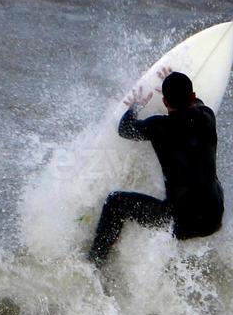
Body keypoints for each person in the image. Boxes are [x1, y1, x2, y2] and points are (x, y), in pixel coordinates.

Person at [87, 70, 224, 266]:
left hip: (182, 224)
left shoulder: (157, 127)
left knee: (115, 202)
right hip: (213, 218)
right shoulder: (207, 116)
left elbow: (124, 128)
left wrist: (136, 105)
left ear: (166, 103)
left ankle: (95, 262)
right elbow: (197, 104)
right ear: (193, 96)